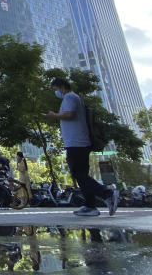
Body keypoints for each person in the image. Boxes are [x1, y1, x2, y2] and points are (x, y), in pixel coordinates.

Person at [44, 77, 118, 217]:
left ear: (61, 87)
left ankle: (107, 194)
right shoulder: (73, 97)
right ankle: (90, 206)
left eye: (55, 89)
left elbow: (69, 114)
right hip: (79, 143)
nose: (56, 92)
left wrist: (53, 115)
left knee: (78, 173)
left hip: (76, 143)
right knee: (82, 175)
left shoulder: (70, 97)